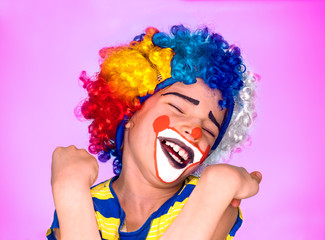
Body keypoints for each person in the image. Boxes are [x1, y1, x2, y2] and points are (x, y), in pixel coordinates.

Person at [47, 25, 261, 240]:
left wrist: (219, 182)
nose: (195, 131)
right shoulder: (83, 203)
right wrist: (70, 186)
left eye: (208, 130)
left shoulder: (214, 200)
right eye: (178, 108)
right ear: (130, 111)